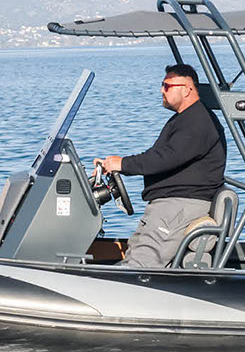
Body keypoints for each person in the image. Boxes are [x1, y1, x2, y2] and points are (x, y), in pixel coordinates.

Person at [93, 63, 227, 268]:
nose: (161, 90)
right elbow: (161, 156)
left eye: (167, 86)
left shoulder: (198, 121)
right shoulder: (186, 119)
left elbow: (165, 158)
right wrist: (119, 164)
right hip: (168, 206)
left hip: (179, 206)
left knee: (140, 266)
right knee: (133, 256)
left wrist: (123, 164)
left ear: (187, 89)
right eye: (162, 85)